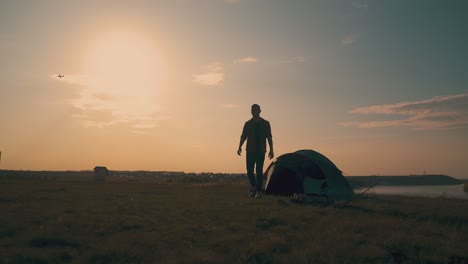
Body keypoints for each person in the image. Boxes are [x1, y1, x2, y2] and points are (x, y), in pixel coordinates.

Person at [237, 104, 274, 198]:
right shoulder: (248, 124)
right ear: (251, 112)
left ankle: (258, 191)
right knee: (249, 171)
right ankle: (254, 187)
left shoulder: (266, 123)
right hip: (250, 150)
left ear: (260, 111)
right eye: (253, 110)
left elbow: (269, 137)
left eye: (257, 110)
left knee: (259, 170)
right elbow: (243, 136)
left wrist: (271, 150)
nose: (255, 112)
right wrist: (239, 147)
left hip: (261, 151)